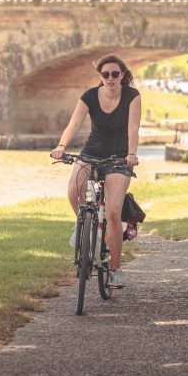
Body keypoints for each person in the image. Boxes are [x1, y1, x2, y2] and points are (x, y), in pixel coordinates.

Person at [50, 54, 142, 289]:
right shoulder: (90, 95)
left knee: (112, 212)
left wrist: (131, 153)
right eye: (105, 75)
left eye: (115, 74)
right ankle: (81, 224)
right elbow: (74, 124)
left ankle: (115, 270)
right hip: (91, 152)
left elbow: (133, 128)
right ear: (100, 76)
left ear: (122, 75)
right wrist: (61, 146)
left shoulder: (132, 96)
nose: (110, 78)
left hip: (119, 157)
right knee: (74, 189)